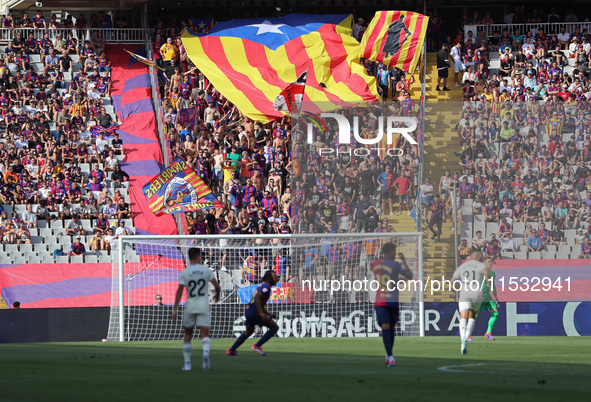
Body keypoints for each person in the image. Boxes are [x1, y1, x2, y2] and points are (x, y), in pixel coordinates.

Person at [172, 248, 221, 371]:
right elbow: (217, 286)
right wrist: (217, 295)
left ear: (189, 257)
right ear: (198, 257)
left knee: (188, 334)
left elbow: (179, 291)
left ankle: (187, 363)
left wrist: (175, 308)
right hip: (203, 305)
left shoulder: (185, 272)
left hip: (190, 306)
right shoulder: (206, 271)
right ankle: (205, 355)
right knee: (204, 334)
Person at [370, 242, 412, 367]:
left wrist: (396, 279)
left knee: (386, 328)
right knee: (391, 328)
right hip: (392, 300)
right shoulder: (396, 264)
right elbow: (409, 276)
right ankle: (390, 355)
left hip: (380, 300)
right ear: (389, 252)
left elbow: (386, 276)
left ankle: (389, 355)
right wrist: (404, 261)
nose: (395, 254)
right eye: (394, 251)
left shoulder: (374, 265)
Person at [227, 270, 280, 356]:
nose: (276, 279)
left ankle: (231, 350)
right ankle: (257, 346)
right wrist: (262, 313)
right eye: (275, 277)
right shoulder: (266, 287)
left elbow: (260, 304)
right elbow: (257, 297)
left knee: (248, 332)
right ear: (270, 278)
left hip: (249, 311)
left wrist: (268, 314)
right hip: (254, 313)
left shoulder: (262, 286)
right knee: (274, 327)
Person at [452, 250, 493, 355]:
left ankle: (463, 339)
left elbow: (452, 281)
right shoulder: (480, 265)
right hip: (477, 294)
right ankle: (466, 337)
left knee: (463, 317)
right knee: (472, 317)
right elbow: (487, 273)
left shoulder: (462, 266)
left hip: (465, 293)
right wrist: (490, 287)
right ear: (478, 256)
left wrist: (458, 288)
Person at [475, 256, 500, 340]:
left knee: (495, 313)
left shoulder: (492, 273)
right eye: (489, 262)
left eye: (491, 262)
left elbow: (492, 286)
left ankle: (488, 333)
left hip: (488, 297)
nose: (491, 263)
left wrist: (496, 297)